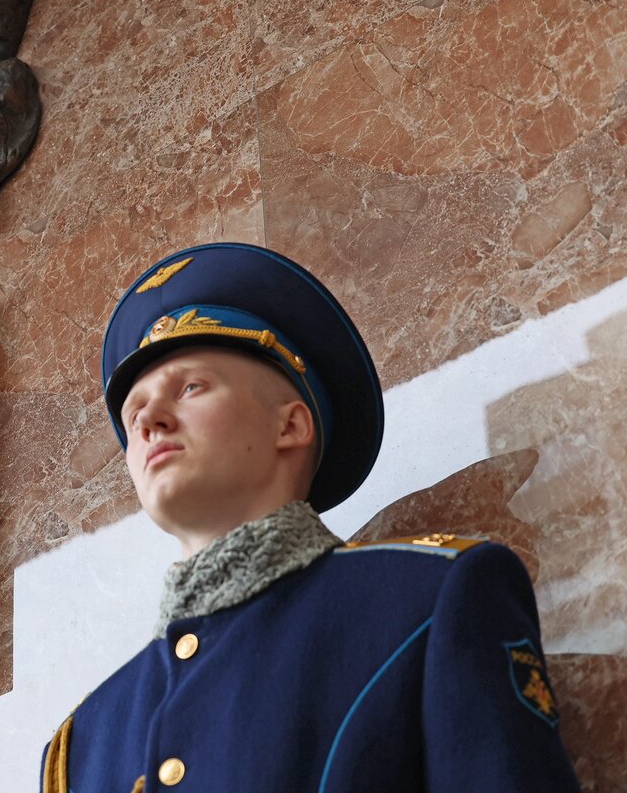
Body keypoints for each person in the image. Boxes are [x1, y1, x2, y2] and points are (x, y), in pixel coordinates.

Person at [41, 243, 580, 792]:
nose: (149, 419)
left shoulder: (430, 601)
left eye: (191, 387)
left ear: (291, 426)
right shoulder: (85, 741)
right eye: (133, 415)